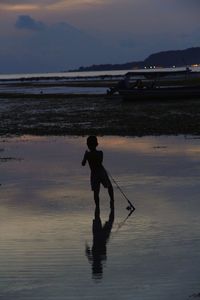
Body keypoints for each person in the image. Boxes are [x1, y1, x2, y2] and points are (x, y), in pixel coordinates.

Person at [82, 136, 114, 209]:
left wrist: (85, 156)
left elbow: (83, 164)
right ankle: (112, 201)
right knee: (109, 186)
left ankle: (97, 207)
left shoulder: (88, 154)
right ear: (97, 144)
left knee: (96, 192)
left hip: (94, 174)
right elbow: (100, 161)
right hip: (101, 172)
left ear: (88, 145)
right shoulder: (100, 153)